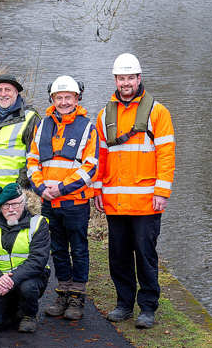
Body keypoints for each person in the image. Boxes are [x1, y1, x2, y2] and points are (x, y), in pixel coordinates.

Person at [94, 53, 175, 329]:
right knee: (118, 256)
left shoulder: (157, 112)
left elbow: (166, 154)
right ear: (115, 80)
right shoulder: (105, 114)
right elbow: (100, 155)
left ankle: (148, 306)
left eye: (130, 77)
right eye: (121, 78)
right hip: (115, 201)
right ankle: (124, 303)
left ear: (139, 78)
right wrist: (97, 190)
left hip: (146, 203)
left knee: (145, 254)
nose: (125, 82)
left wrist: (162, 191)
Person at [27, 75, 98, 320]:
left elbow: (90, 167)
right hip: (48, 201)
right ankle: (62, 292)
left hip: (75, 202)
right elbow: (32, 160)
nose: (64, 102)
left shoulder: (87, 126)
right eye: (60, 97)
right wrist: (40, 188)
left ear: (77, 98)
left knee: (78, 249)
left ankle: (77, 297)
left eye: (69, 97)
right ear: (52, 99)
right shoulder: (42, 125)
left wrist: (61, 188)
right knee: (57, 249)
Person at [0, 183, 50, 333]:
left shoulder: (38, 223)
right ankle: (14, 306)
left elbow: (38, 260)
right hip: (0, 279)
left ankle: (29, 315)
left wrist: (12, 279)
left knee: (28, 288)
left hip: (29, 278)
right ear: (0, 207)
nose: (11, 209)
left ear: (24, 203)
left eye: (15, 204)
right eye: (6, 205)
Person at [0, 75, 39, 211]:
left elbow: (35, 155)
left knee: (15, 230)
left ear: (16, 93)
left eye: (8, 90)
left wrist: (20, 185)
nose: (3, 94)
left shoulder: (29, 118)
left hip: (15, 192)